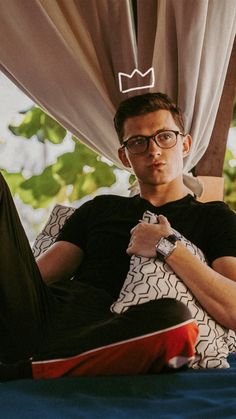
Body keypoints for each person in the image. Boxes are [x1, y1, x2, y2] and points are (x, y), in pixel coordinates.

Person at [1, 92, 236, 381]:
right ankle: (39, 361)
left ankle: (26, 369)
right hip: (51, 317)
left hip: (119, 333)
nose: (154, 150)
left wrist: (168, 247)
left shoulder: (215, 217)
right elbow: (36, 278)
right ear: (125, 155)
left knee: (175, 322)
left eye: (165, 136)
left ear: (184, 144)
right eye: (139, 142)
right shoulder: (101, 208)